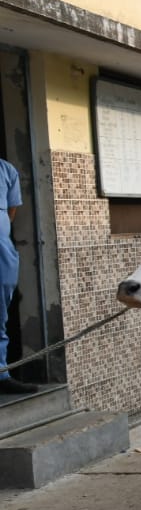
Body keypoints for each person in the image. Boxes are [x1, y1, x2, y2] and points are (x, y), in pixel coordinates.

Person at [1, 156, 35, 394]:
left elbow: (11, 211)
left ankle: (1, 374)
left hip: (1, 249)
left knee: (0, 311)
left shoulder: (6, 169)